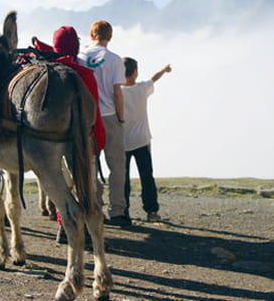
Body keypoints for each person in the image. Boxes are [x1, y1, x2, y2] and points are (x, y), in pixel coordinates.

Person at [32, 25, 106, 242]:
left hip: (52, 140)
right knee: (87, 185)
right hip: (83, 141)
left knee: (61, 185)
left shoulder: (48, 72)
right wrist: (98, 142)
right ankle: (92, 235)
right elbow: (95, 113)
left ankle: (64, 225)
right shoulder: (83, 74)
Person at [78, 20, 130, 227]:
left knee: (90, 164)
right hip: (109, 115)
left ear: (92, 35)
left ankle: (95, 206)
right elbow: (118, 92)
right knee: (117, 165)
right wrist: (121, 117)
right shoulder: (115, 60)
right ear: (110, 36)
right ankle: (118, 211)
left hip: (87, 116)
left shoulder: (81, 57)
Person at [121, 58, 171, 222]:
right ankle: (151, 211)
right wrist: (164, 70)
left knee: (123, 179)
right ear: (135, 72)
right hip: (142, 141)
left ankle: (123, 211)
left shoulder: (117, 92)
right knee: (147, 177)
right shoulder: (142, 88)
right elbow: (154, 78)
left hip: (122, 142)